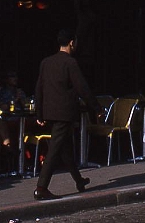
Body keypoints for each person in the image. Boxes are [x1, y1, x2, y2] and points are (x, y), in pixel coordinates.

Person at [33, 29, 99, 200]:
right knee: (54, 150)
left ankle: (79, 181)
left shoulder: (46, 62)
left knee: (65, 149)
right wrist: (96, 108)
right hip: (65, 113)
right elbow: (82, 88)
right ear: (71, 43)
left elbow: (39, 89)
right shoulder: (70, 63)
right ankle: (41, 187)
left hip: (49, 112)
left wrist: (39, 113)